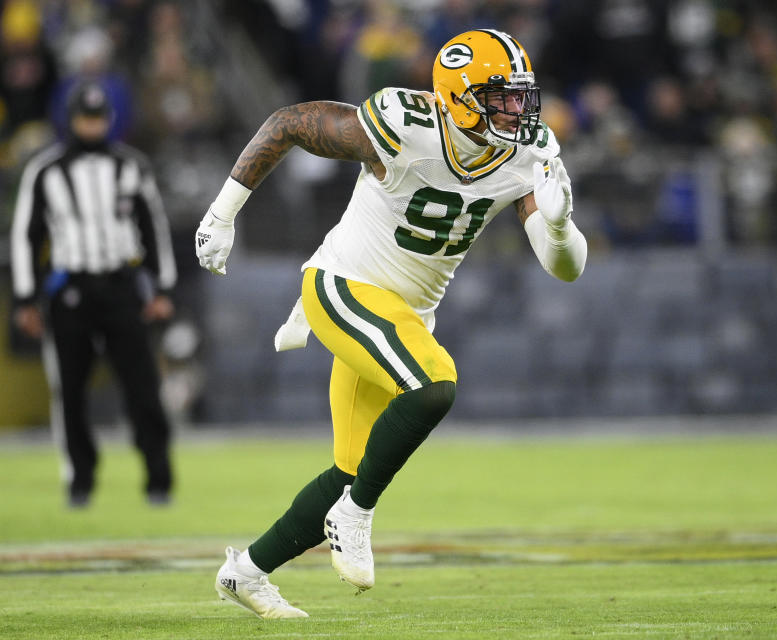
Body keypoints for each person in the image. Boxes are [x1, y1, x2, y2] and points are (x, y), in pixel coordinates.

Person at [196, 29, 587, 619]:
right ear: (458, 97)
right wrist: (222, 214)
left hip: (400, 316)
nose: (516, 110)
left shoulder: (528, 151)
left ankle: (244, 572)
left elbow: (565, 270)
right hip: (342, 287)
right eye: (500, 96)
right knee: (434, 385)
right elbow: (287, 123)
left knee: (349, 472)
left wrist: (558, 228)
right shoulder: (404, 125)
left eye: (519, 96)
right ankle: (356, 516)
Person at [10, 81, 178, 508]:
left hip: (122, 285)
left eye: (99, 118)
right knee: (69, 389)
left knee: (142, 386)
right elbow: (26, 236)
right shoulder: (45, 170)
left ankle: (158, 477)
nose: (92, 126)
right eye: (86, 118)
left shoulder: (131, 166)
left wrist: (160, 287)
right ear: (71, 119)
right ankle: (79, 479)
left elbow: (153, 227)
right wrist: (26, 298)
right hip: (71, 289)